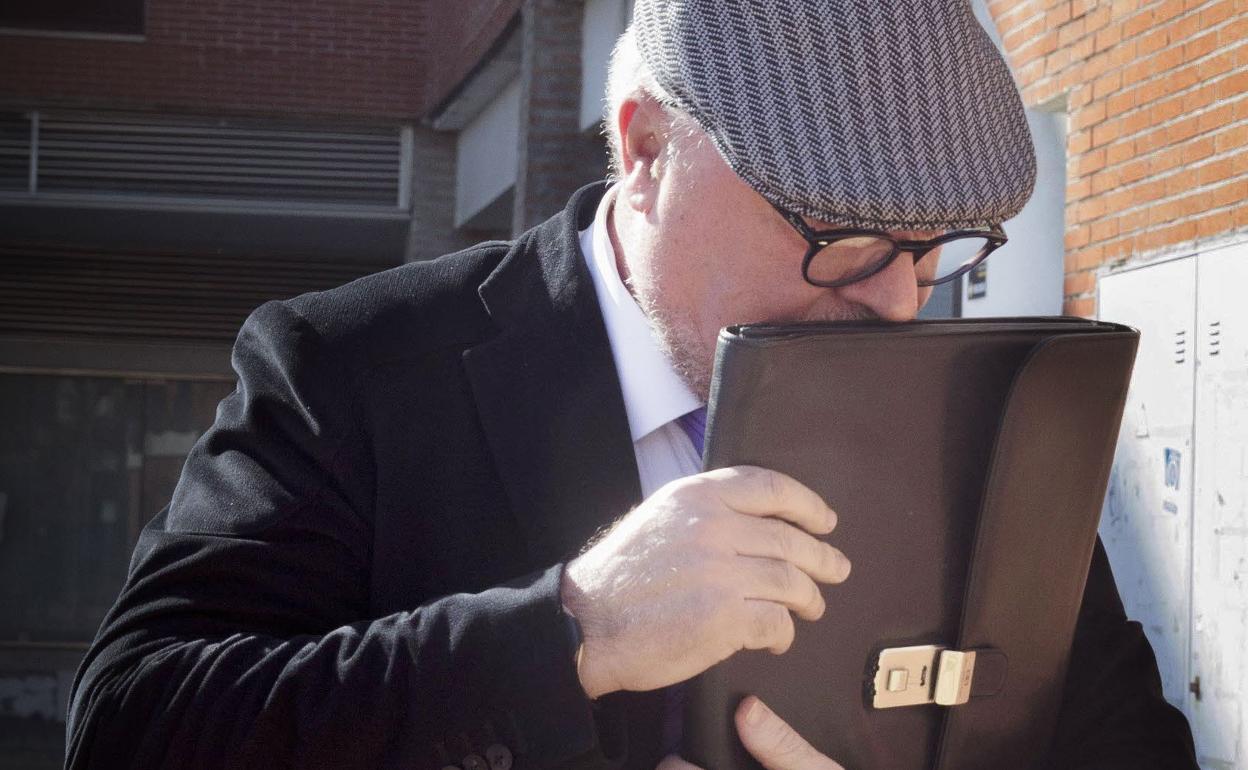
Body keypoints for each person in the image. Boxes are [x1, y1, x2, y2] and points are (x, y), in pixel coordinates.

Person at [67, 2, 1198, 769]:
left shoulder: (976, 416)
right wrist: (574, 627)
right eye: (844, 237)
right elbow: (133, 723)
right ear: (649, 146)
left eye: (935, 248)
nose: (900, 302)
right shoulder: (354, 367)